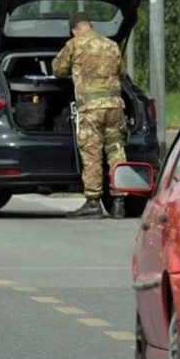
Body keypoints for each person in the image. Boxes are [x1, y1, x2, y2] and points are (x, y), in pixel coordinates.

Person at [52, 12, 127, 220]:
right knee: (116, 150)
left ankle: (93, 202)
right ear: (91, 25)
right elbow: (122, 73)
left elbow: (57, 69)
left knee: (92, 152)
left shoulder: (74, 44)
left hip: (91, 108)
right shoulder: (112, 45)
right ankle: (119, 201)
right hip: (114, 106)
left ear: (74, 29)